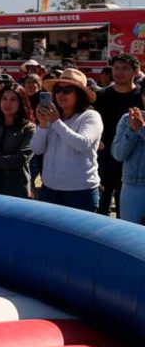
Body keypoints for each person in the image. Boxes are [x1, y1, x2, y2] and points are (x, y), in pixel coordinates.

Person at [32, 69, 103, 212]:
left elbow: (82, 144)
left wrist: (56, 122)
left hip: (80, 192)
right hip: (49, 190)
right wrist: (43, 125)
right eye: (57, 90)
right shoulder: (52, 117)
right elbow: (37, 149)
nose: (60, 94)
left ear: (79, 94)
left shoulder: (90, 116)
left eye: (67, 90)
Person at [95, 54, 141, 216]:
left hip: (132, 162)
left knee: (126, 212)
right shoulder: (101, 95)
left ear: (136, 71)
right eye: (116, 68)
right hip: (104, 158)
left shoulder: (141, 97)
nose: (119, 72)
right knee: (101, 207)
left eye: (125, 68)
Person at [111, 90, 145, 225]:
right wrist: (131, 130)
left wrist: (141, 129)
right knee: (131, 234)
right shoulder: (127, 118)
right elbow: (118, 154)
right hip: (131, 186)